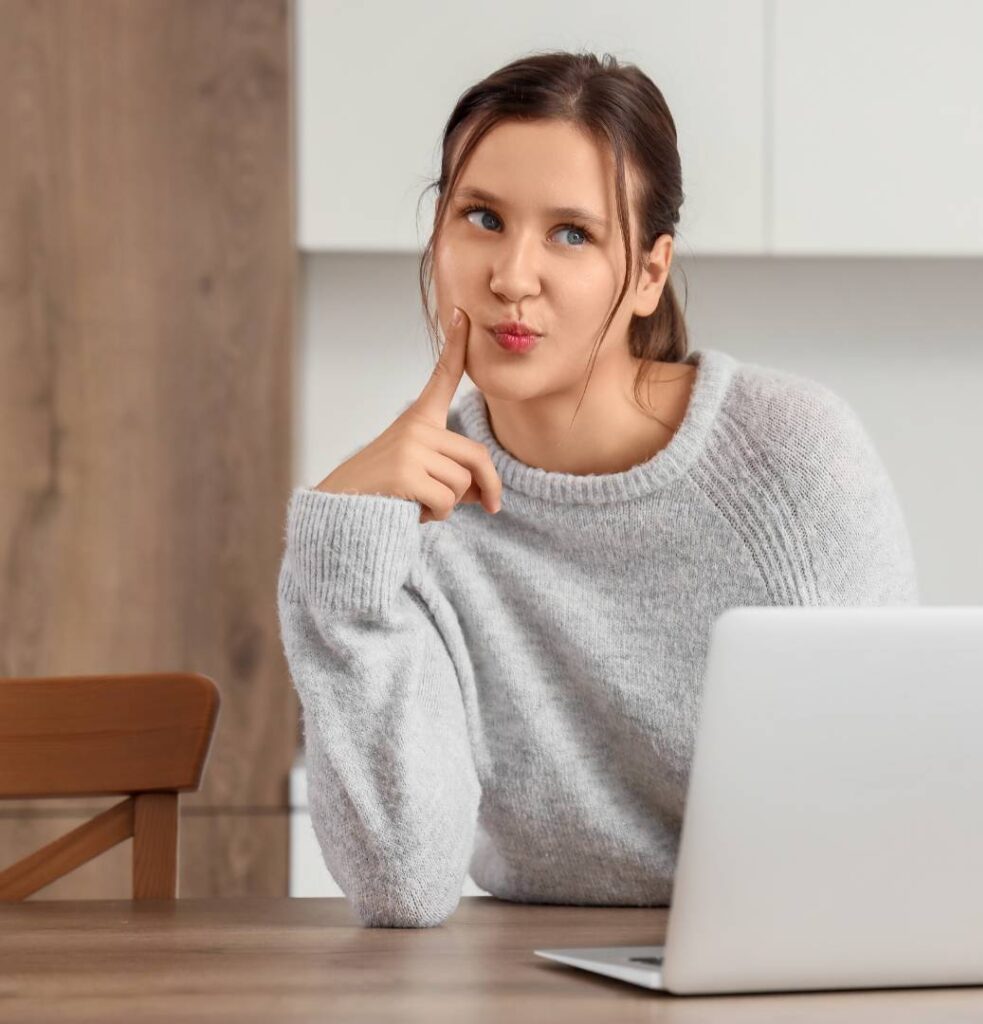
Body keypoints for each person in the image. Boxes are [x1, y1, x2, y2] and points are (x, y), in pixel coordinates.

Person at [276, 51, 919, 928]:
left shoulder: (796, 462)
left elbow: (896, 805)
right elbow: (403, 881)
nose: (512, 276)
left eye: (572, 233)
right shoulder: (400, 515)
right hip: (525, 979)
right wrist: (341, 549)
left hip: (785, 956)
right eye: (483, 218)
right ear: (438, 237)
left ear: (650, 273)